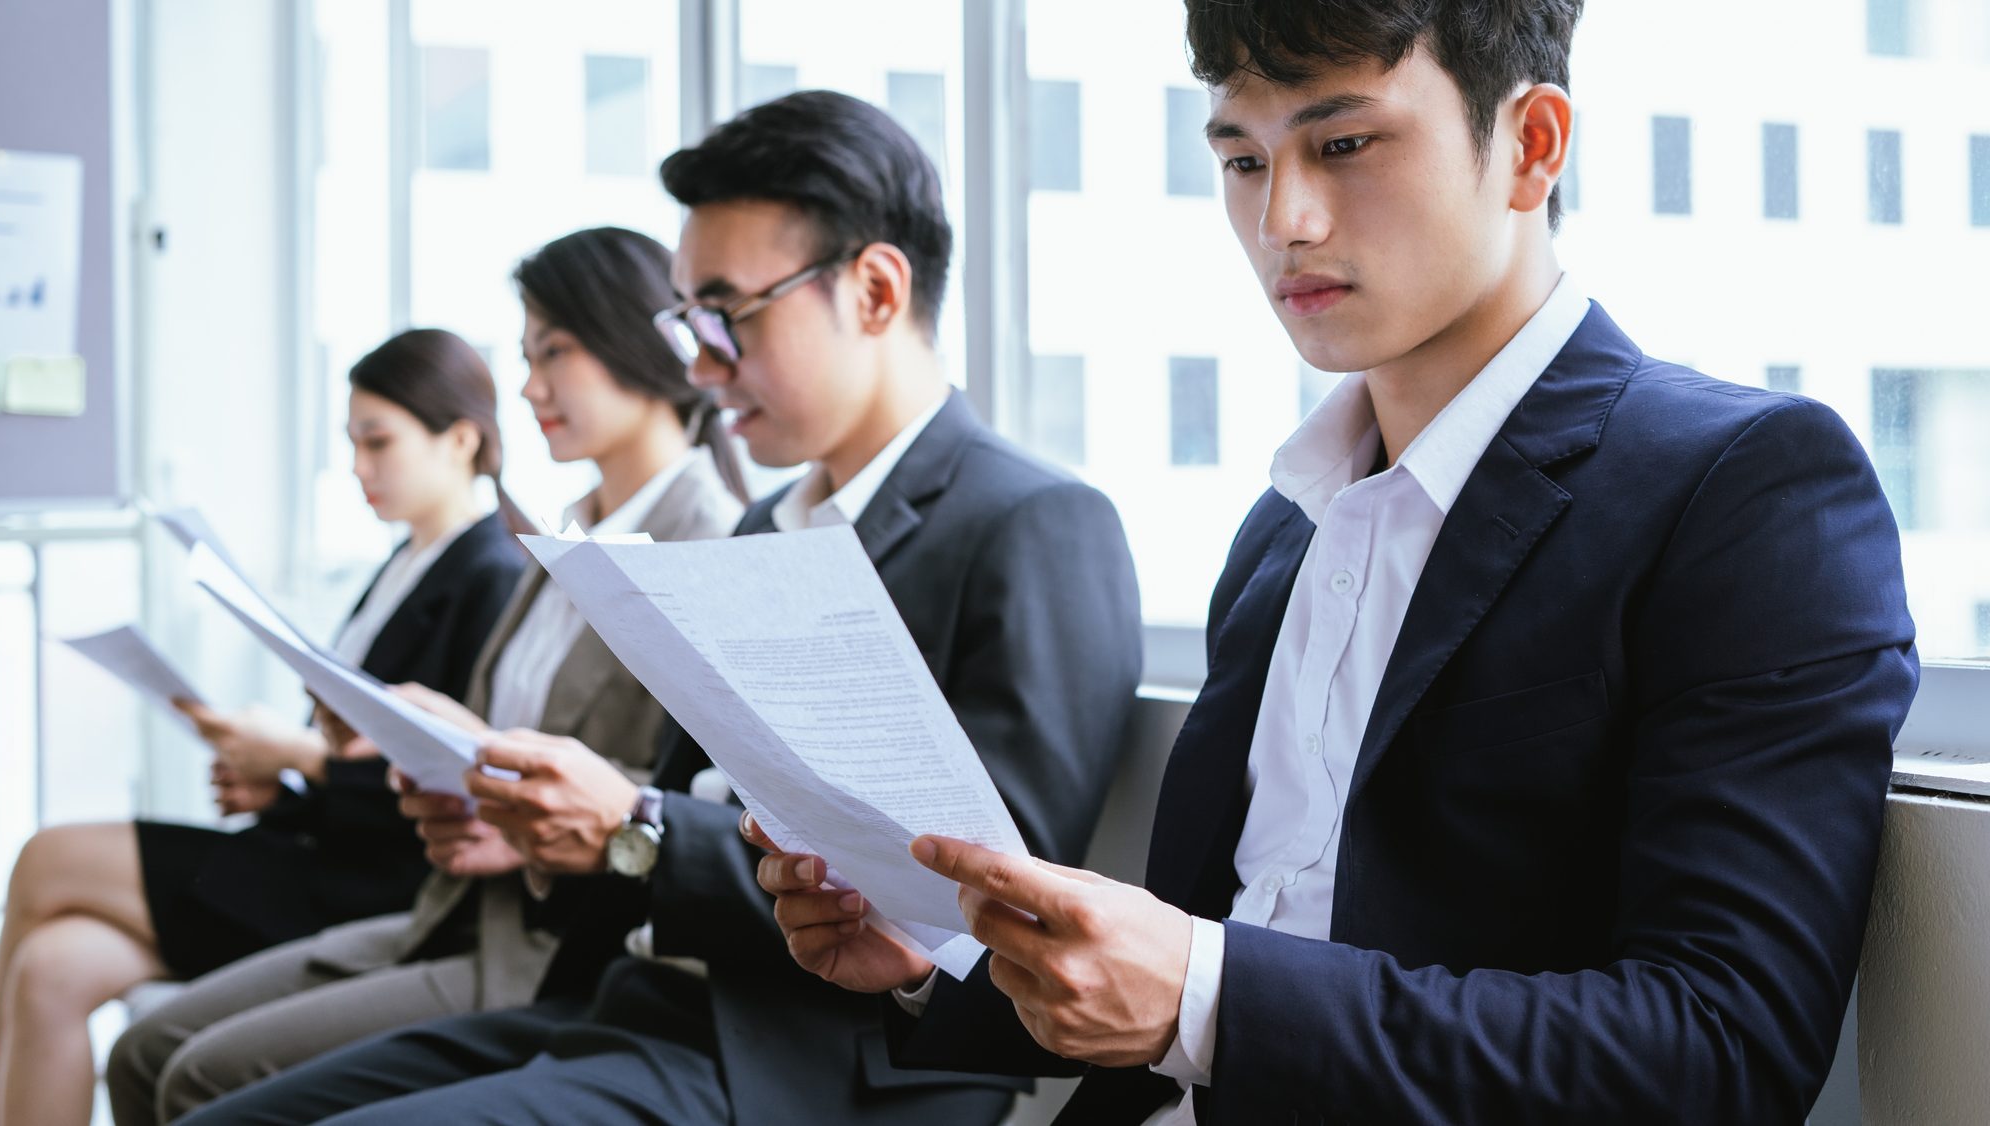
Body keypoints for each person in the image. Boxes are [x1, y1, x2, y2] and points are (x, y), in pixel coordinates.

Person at [755, 4, 1921, 1124]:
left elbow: (1716, 1049)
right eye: (1242, 162)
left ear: (1531, 143)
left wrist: (1198, 996)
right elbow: (1211, 957)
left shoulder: (1742, 487)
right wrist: (937, 959)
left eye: (1344, 143)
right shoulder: (1285, 527)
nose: (1282, 223)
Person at [175, 90, 1144, 1126]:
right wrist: (540, 824)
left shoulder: (1034, 522)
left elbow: (986, 904)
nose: (701, 363)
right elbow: (694, 802)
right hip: (638, 1003)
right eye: (687, 321)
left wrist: (631, 826)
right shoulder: (769, 519)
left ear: (871, 289)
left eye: (725, 313)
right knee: (221, 1111)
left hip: (818, 1064)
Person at [104, 226, 748, 1126]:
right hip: (452, 906)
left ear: (634, 339)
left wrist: (527, 820)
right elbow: (512, 738)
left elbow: (689, 801)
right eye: (526, 357)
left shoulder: (712, 543)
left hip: (550, 942)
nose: (528, 388)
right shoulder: (562, 536)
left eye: (554, 351)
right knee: (149, 1053)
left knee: (193, 1075)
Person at [0, 328, 527, 1126]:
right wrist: (279, 787)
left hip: (362, 884)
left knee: (49, 857)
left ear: (460, 439)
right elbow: (355, 759)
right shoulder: (403, 565)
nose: (358, 466)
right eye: (351, 443)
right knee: (51, 968)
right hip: (313, 851)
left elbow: (438, 778)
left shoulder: (491, 573)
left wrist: (298, 757)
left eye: (378, 441)